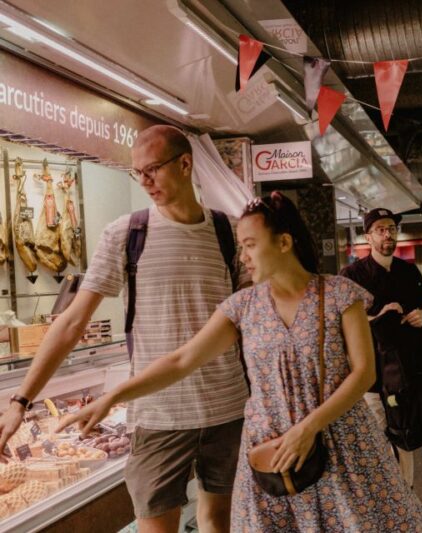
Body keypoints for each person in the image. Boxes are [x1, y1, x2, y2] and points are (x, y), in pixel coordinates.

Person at [59, 193, 422, 532]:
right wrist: (112, 397)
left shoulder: (340, 294)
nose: (243, 257)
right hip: (271, 450)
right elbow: (181, 360)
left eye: (251, 245)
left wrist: (308, 427)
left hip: (340, 442)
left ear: (284, 243)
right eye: (241, 247)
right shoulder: (242, 307)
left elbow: (363, 372)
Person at [0, 125, 248, 532]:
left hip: (228, 408)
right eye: (138, 173)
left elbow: (249, 321)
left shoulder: (229, 233)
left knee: (219, 522)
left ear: (185, 164)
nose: (145, 181)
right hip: (156, 414)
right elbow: (71, 323)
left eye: (153, 169)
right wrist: (20, 401)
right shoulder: (127, 233)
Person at [339, 208, 422, 488]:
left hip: (407, 372)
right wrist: (378, 317)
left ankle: (408, 510)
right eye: (380, 229)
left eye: (391, 228)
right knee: (377, 442)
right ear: (368, 236)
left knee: (405, 439)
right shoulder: (352, 274)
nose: (387, 234)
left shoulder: (408, 270)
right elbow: (340, 325)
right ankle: (385, 513)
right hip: (370, 374)